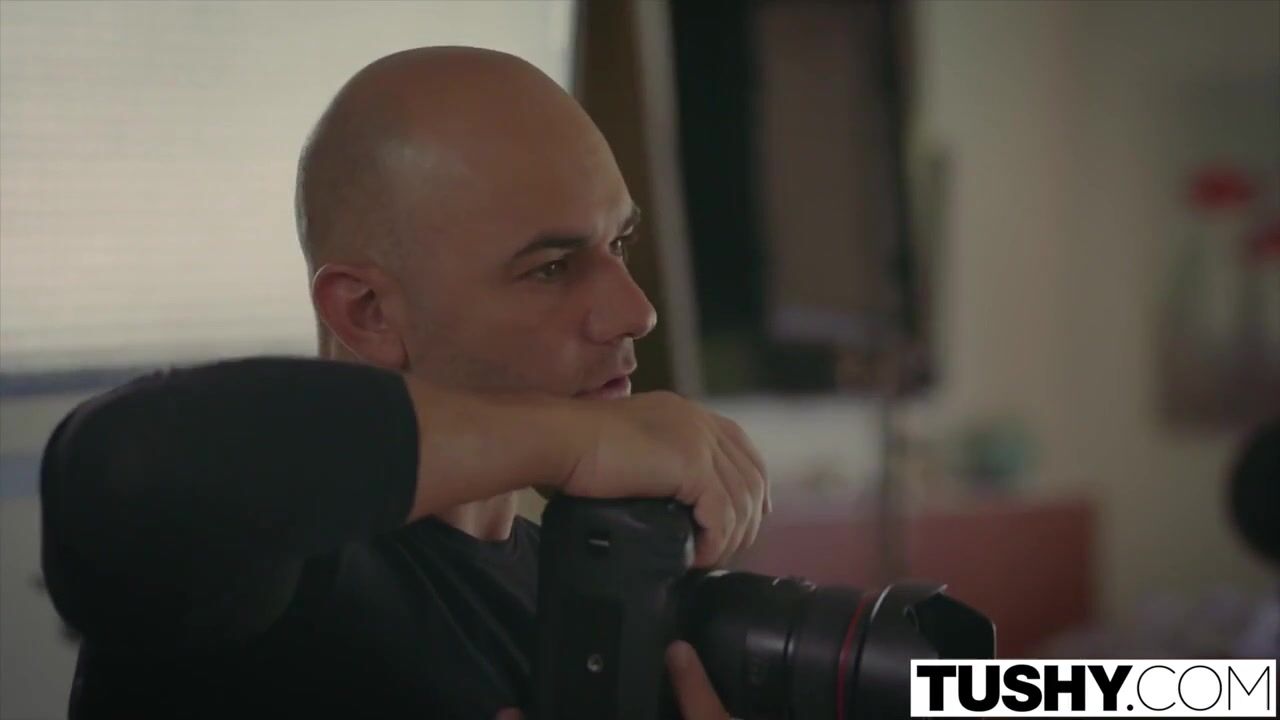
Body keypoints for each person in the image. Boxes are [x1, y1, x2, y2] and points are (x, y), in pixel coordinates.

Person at [39, 47, 768, 719]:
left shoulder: (581, 588)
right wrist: (577, 442)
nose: (636, 311)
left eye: (620, 243)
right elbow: (126, 467)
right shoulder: (269, 585)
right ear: (369, 313)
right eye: (550, 268)